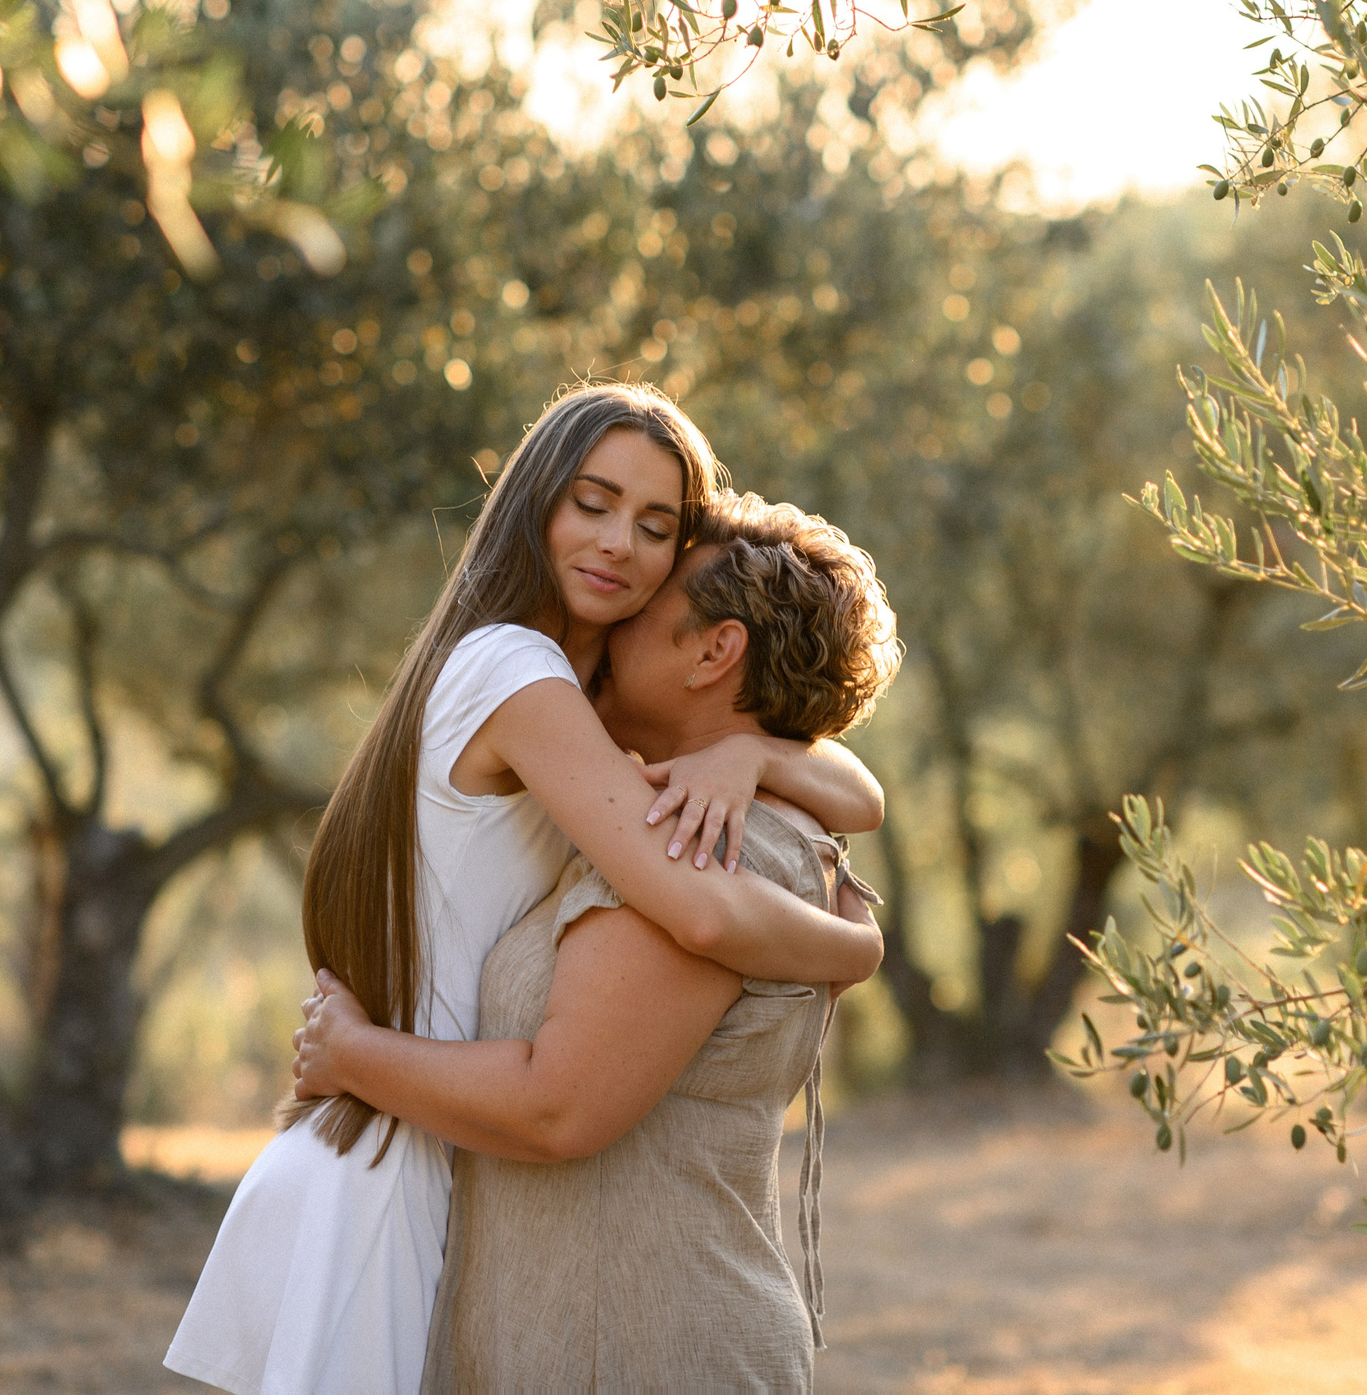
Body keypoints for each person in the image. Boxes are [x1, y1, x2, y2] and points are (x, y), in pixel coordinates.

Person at [166, 386, 885, 1395]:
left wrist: (751, 752)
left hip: (435, 1151)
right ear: (536, 499)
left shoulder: (589, 711)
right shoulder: (519, 676)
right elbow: (701, 910)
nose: (619, 544)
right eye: (592, 502)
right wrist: (859, 948)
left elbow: (861, 792)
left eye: (656, 527)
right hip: (388, 1164)